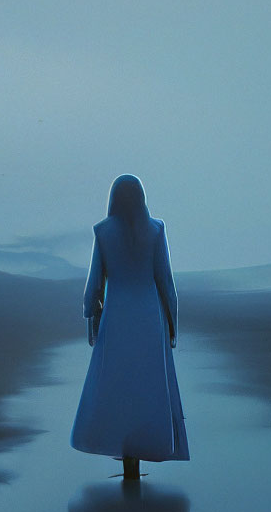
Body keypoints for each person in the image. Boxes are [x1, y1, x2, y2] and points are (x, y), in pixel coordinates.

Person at [70, 174, 189, 478]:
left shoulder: (103, 231)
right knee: (148, 387)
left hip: (117, 317)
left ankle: (127, 457)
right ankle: (142, 451)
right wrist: (172, 324)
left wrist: (91, 319)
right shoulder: (156, 229)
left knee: (119, 386)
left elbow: (94, 285)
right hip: (149, 317)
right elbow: (166, 282)